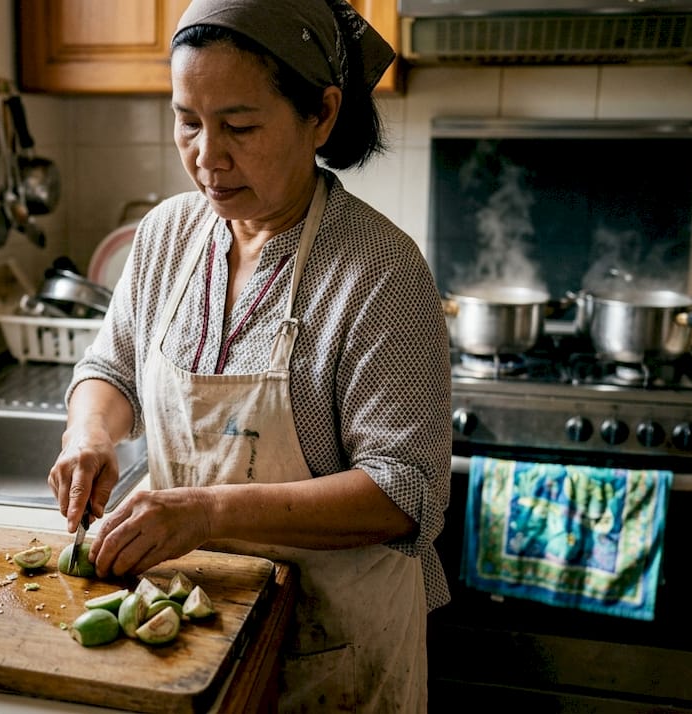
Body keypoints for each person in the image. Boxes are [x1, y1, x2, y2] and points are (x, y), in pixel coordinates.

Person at [48, 0, 452, 710]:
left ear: (321, 115)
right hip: (190, 642)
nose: (207, 155)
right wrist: (90, 435)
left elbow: (403, 492)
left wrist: (204, 512)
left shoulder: (380, 269)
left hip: (334, 654)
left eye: (239, 125)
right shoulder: (167, 234)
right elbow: (109, 368)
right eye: (187, 121)